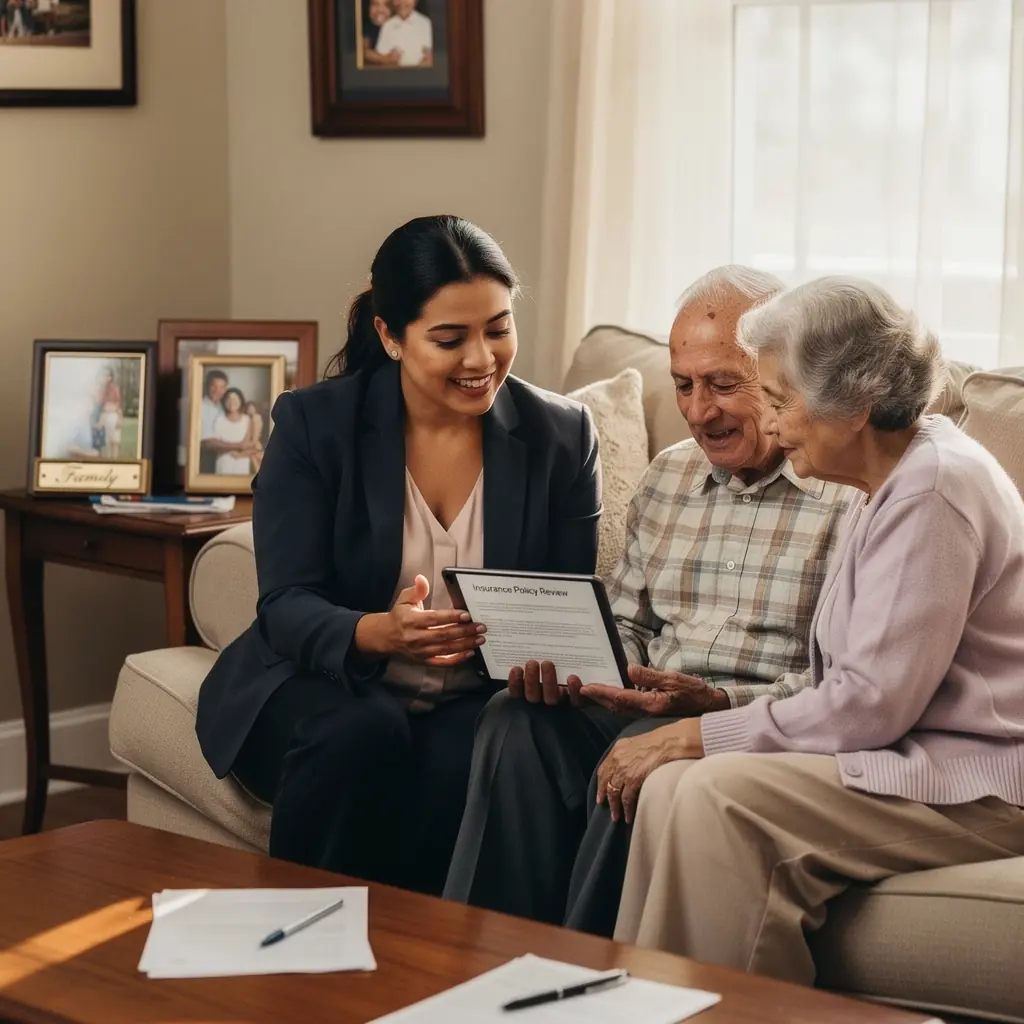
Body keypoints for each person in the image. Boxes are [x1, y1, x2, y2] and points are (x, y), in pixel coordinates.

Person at [612, 276, 1024, 986]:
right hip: (918, 759)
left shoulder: (931, 490)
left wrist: (703, 732)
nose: (769, 427)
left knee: (711, 793)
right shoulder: (893, 478)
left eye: (778, 401)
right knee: (675, 787)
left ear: (856, 406)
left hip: (980, 788)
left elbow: (869, 703)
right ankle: (645, 1002)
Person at [195, 215, 602, 897]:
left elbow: (567, 606)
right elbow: (286, 606)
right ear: (389, 335)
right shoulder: (314, 424)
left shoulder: (561, 435)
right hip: (317, 685)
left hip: (470, 696)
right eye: (450, 339)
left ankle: (417, 970)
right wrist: (375, 632)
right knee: (364, 730)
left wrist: (553, 664)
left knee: (464, 758)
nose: (482, 359)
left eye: (499, 328)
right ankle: (295, 947)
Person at [443, 267, 856, 931]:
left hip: (755, 727)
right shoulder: (670, 477)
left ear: (785, 376)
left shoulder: (848, 493)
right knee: (514, 719)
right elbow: (630, 623)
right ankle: (478, 957)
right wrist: (582, 668)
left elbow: (848, 682)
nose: (698, 412)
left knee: (643, 761)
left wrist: (718, 704)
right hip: (644, 702)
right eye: (684, 385)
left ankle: (582, 981)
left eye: (724, 384)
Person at [375, 0, 432, 68]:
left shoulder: (426, 23)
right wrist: (388, 59)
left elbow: (430, 57)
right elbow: (382, 57)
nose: (402, 2)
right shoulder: (387, 25)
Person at [211, 387, 253, 475]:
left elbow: (250, 444)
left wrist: (241, 452)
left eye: (235, 399)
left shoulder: (247, 419)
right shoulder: (219, 419)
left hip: (242, 464)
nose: (232, 402)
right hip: (223, 464)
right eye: (228, 399)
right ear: (224, 402)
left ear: (241, 401)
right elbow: (215, 445)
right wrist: (238, 446)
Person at [199, 369, 230, 473]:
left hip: (222, 456)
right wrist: (239, 446)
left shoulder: (222, 406)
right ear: (207, 386)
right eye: (214, 386)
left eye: (222, 387)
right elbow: (207, 442)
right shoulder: (201, 406)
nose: (218, 390)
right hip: (205, 456)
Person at [362, 0, 399, 67]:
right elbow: (363, 51)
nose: (380, 10)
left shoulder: (399, 27)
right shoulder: (365, 28)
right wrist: (385, 59)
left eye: (386, 5)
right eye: (375, 4)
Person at [244, 400, 265, 472]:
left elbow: (254, 437)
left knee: (259, 463)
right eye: (248, 408)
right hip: (253, 444)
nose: (250, 410)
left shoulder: (256, 417)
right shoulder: (249, 418)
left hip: (254, 444)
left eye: (251, 408)